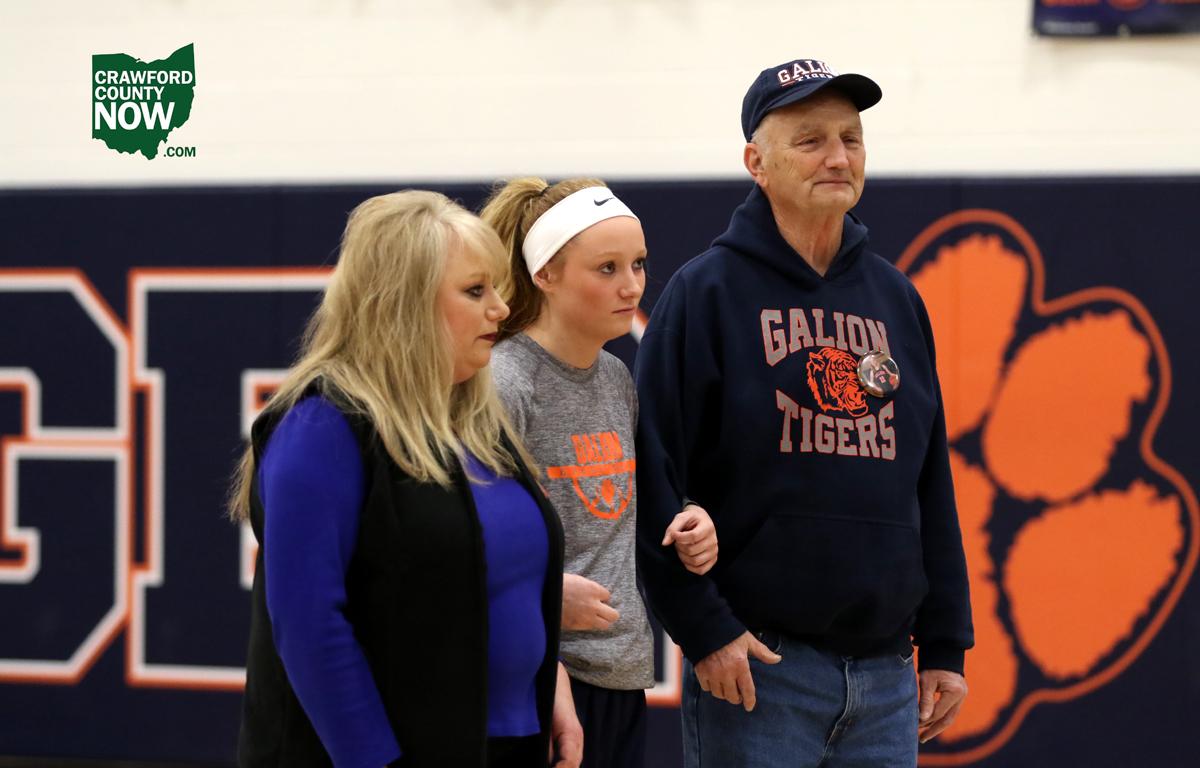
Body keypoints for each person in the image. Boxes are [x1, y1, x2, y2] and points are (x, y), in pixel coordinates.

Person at [634, 59, 973, 767]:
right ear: (756, 163)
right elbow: (653, 476)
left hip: (887, 679)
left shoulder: (896, 299)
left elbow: (928, 482)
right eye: (811, 140)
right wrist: (704, 630)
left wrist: (945, 642)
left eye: (851, 139)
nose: (838, 157)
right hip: (758, 668)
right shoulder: (706, 293)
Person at [231, 190, 583, 768]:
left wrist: (546, 690)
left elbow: (502, 590)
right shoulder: (322, 426)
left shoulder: (474, 422)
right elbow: (310, 628)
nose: (501, 310)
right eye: (476, 291)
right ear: (405, 303)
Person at [480, 178, 719, 768]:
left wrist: (691, 518)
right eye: (607, 268)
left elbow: (623, 508)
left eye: (638, 264)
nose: (632, 285)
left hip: (620, 672)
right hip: (539, 670)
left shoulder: (615, 377)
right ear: (545, 274)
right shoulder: (505, 382)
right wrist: (536, 597)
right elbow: (465, 535)